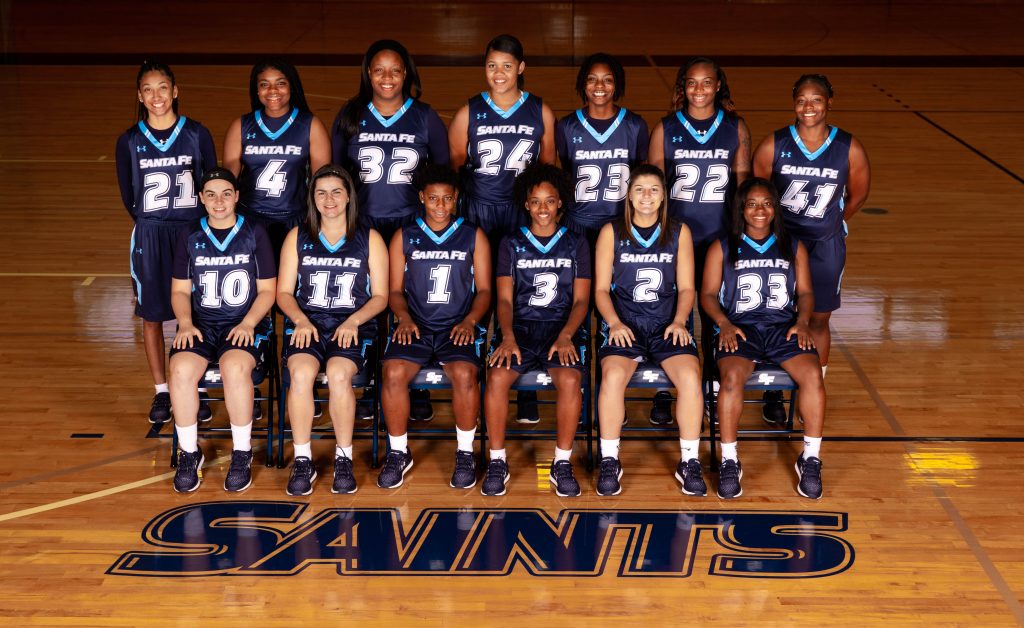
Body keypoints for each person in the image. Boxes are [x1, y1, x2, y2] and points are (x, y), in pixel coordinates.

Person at [331, 39, 449, 423]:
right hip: (364, 225)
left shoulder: (425, 117)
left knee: (413, 301)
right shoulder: (350, 115)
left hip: (411, 224)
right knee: (368, 302)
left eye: (395, 70)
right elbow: (335, 175)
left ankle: (418, 386)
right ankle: (368, 383)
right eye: (379, 70)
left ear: (407, 74)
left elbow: (443, 175)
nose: (387, 78)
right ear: (368, 73)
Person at [448, 33, 556, 425]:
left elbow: (547, 169)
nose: (499, 73)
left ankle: (524, 383)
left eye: (507, 66)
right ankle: (474, 371)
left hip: (521, 213)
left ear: (521, 69)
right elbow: (456, 168)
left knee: (525, 294)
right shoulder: (469, 112)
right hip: (478, 210)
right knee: (477, 293)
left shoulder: (539, 111)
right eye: (492, 65)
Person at [753, 73, 870, 423]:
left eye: (816, 100)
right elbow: (756, 189)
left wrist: (836, 220)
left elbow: (860, 192)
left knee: (819, 317)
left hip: (824, 245)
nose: (809, 107)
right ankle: (774, 388)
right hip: (781, 244)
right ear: (794, 103)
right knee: (778, 316)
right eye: (802, 100)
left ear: (829, 102)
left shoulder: (848, 146)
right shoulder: (774, 144)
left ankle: (813, 390)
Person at [700, 178, 826, 499]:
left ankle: (810, 458)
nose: (760, 210)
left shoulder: (792, 246)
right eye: (752, 204)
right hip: (740, 329)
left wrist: (802, 321)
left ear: (775, 208)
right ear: (741, 209)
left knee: (813, 375)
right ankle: (730, 461)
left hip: (783, 327)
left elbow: (807, 292)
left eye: (767, 203)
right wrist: (723, 323)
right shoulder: (723, 246)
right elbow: (709, 294)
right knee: (729, 381)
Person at [647, 57, 751, 425]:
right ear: (682, 88)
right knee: (669, 311)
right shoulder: (665, 129)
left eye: (707, 82)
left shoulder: (735, 128)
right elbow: (652, 190)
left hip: (719, 235)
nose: (700, 89)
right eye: (692, 83)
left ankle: (710, 387)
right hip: (675, 238)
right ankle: (663, 389)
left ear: (719, 86)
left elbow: (742, 189)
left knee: (712, 314)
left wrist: (740, 238)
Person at [593, 164, 706, 497]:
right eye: (640, 189)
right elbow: (600, 290)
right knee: (613, 376)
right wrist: (613, 323)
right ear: (628, 194)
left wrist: (680, 320)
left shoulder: (678, 232)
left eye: (654, 189)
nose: (646, 196)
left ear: (664, 196)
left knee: (689, 377)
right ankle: (610, 459)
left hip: (665, 323)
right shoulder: (611, 232)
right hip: (624, 323)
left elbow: (687, 288)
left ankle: (689, 460)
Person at [276, 165, 388, 495]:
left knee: (339, 375)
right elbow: (283, 292)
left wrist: (353, 320)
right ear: (312, 198)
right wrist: (300, 320)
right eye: (321, 192)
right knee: (300, 374)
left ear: (349, 196)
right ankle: (302, 459)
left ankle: (343, 458)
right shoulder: (298, 237)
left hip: (351, 326)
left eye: (336, 191)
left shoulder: (369, 238)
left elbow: (381, 295)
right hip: (308, 323)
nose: (329, 199)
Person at [116, 60, 218, 424]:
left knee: (197, 312)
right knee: (154, 315)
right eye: (148, 89)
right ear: (139, 96)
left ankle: (196, 387)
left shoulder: (196, 133)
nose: (156, 96)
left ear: (175, 91)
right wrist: (153, 225)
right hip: (151, 233)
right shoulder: (129, 140)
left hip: (193, 232)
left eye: (163, 88)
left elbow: (212, 186)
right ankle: (162, 391)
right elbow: (129, 196)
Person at [377, 165, 491, 490]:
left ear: (456, 200)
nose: (440, 206)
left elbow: (484, 290)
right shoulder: (404, 235)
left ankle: (466, 452)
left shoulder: (473, 235)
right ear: (422, 198)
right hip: (416, 324)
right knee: (393, 374)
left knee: (466, 375)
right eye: (433, 199)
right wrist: (404, 317)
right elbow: (394, 291)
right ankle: (398, 452)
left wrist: (470, 321)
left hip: (457, 326)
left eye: (447, 199)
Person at [482, 164, 591, 497]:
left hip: (562, 328)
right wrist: (508, 335)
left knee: (570, 378)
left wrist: (567, 335)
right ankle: (497, 460)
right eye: (536, 201)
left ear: (560, 203)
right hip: (521, 329)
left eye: (550, 201)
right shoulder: (510, 243)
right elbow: (503, 298)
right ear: (526, 205)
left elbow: (582, 301)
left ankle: (561, 462)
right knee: (498, 377)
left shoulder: (576, 243)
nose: (543, 208)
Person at [168, 168, 277, 493]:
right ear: (201, 198)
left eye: (226, 193)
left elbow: (268, 290)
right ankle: (189, 452)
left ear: (237, 196)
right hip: (202, 323)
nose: (219, 201)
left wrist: (248, 323)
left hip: (244, 322)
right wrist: (185, 323)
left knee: (234, 367)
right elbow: (179, 291)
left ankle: (241, 452)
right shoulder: (190, 234)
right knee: (181, 369)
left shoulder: (254, 232)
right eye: (211, 194)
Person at [223, 57, 331, 254]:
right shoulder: (242, 126)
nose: (272, 90)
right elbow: (229, 177)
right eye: (264, 84)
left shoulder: (310, 125)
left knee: (291, 282)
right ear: (257, 90)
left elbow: (322, 180)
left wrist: (316, 218)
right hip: (251, 217)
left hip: (296, 218)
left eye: (280, 83)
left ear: (291, 86)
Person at [556, 52, 649, 247]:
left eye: (608, 80)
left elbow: (641, 175)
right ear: (583, 83)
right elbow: (566, 171)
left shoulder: (635, 125)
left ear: (617, 85)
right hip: (577, 222)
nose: (599, 86)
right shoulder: (567, 126)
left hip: (621, 223)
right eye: (592, 79)